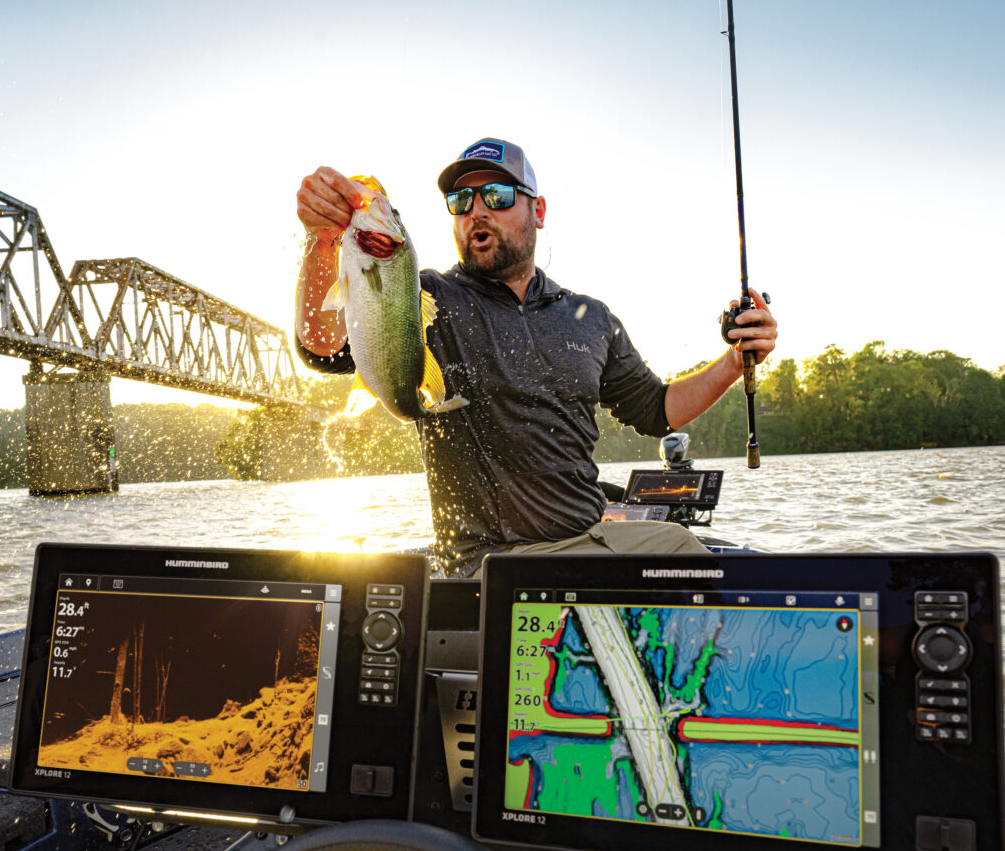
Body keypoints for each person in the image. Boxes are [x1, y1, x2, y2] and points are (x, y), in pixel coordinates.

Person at [294, 138, 778, 576]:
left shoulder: (590, 317)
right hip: (490, 564)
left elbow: (657, 409)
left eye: (497, 196)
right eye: (461, 200)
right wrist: (323, 239)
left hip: (591, 539)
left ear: (538, 210)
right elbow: (323, 347)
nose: (476, 211)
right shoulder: (427, 298)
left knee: (689, 554)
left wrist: (735, 361)